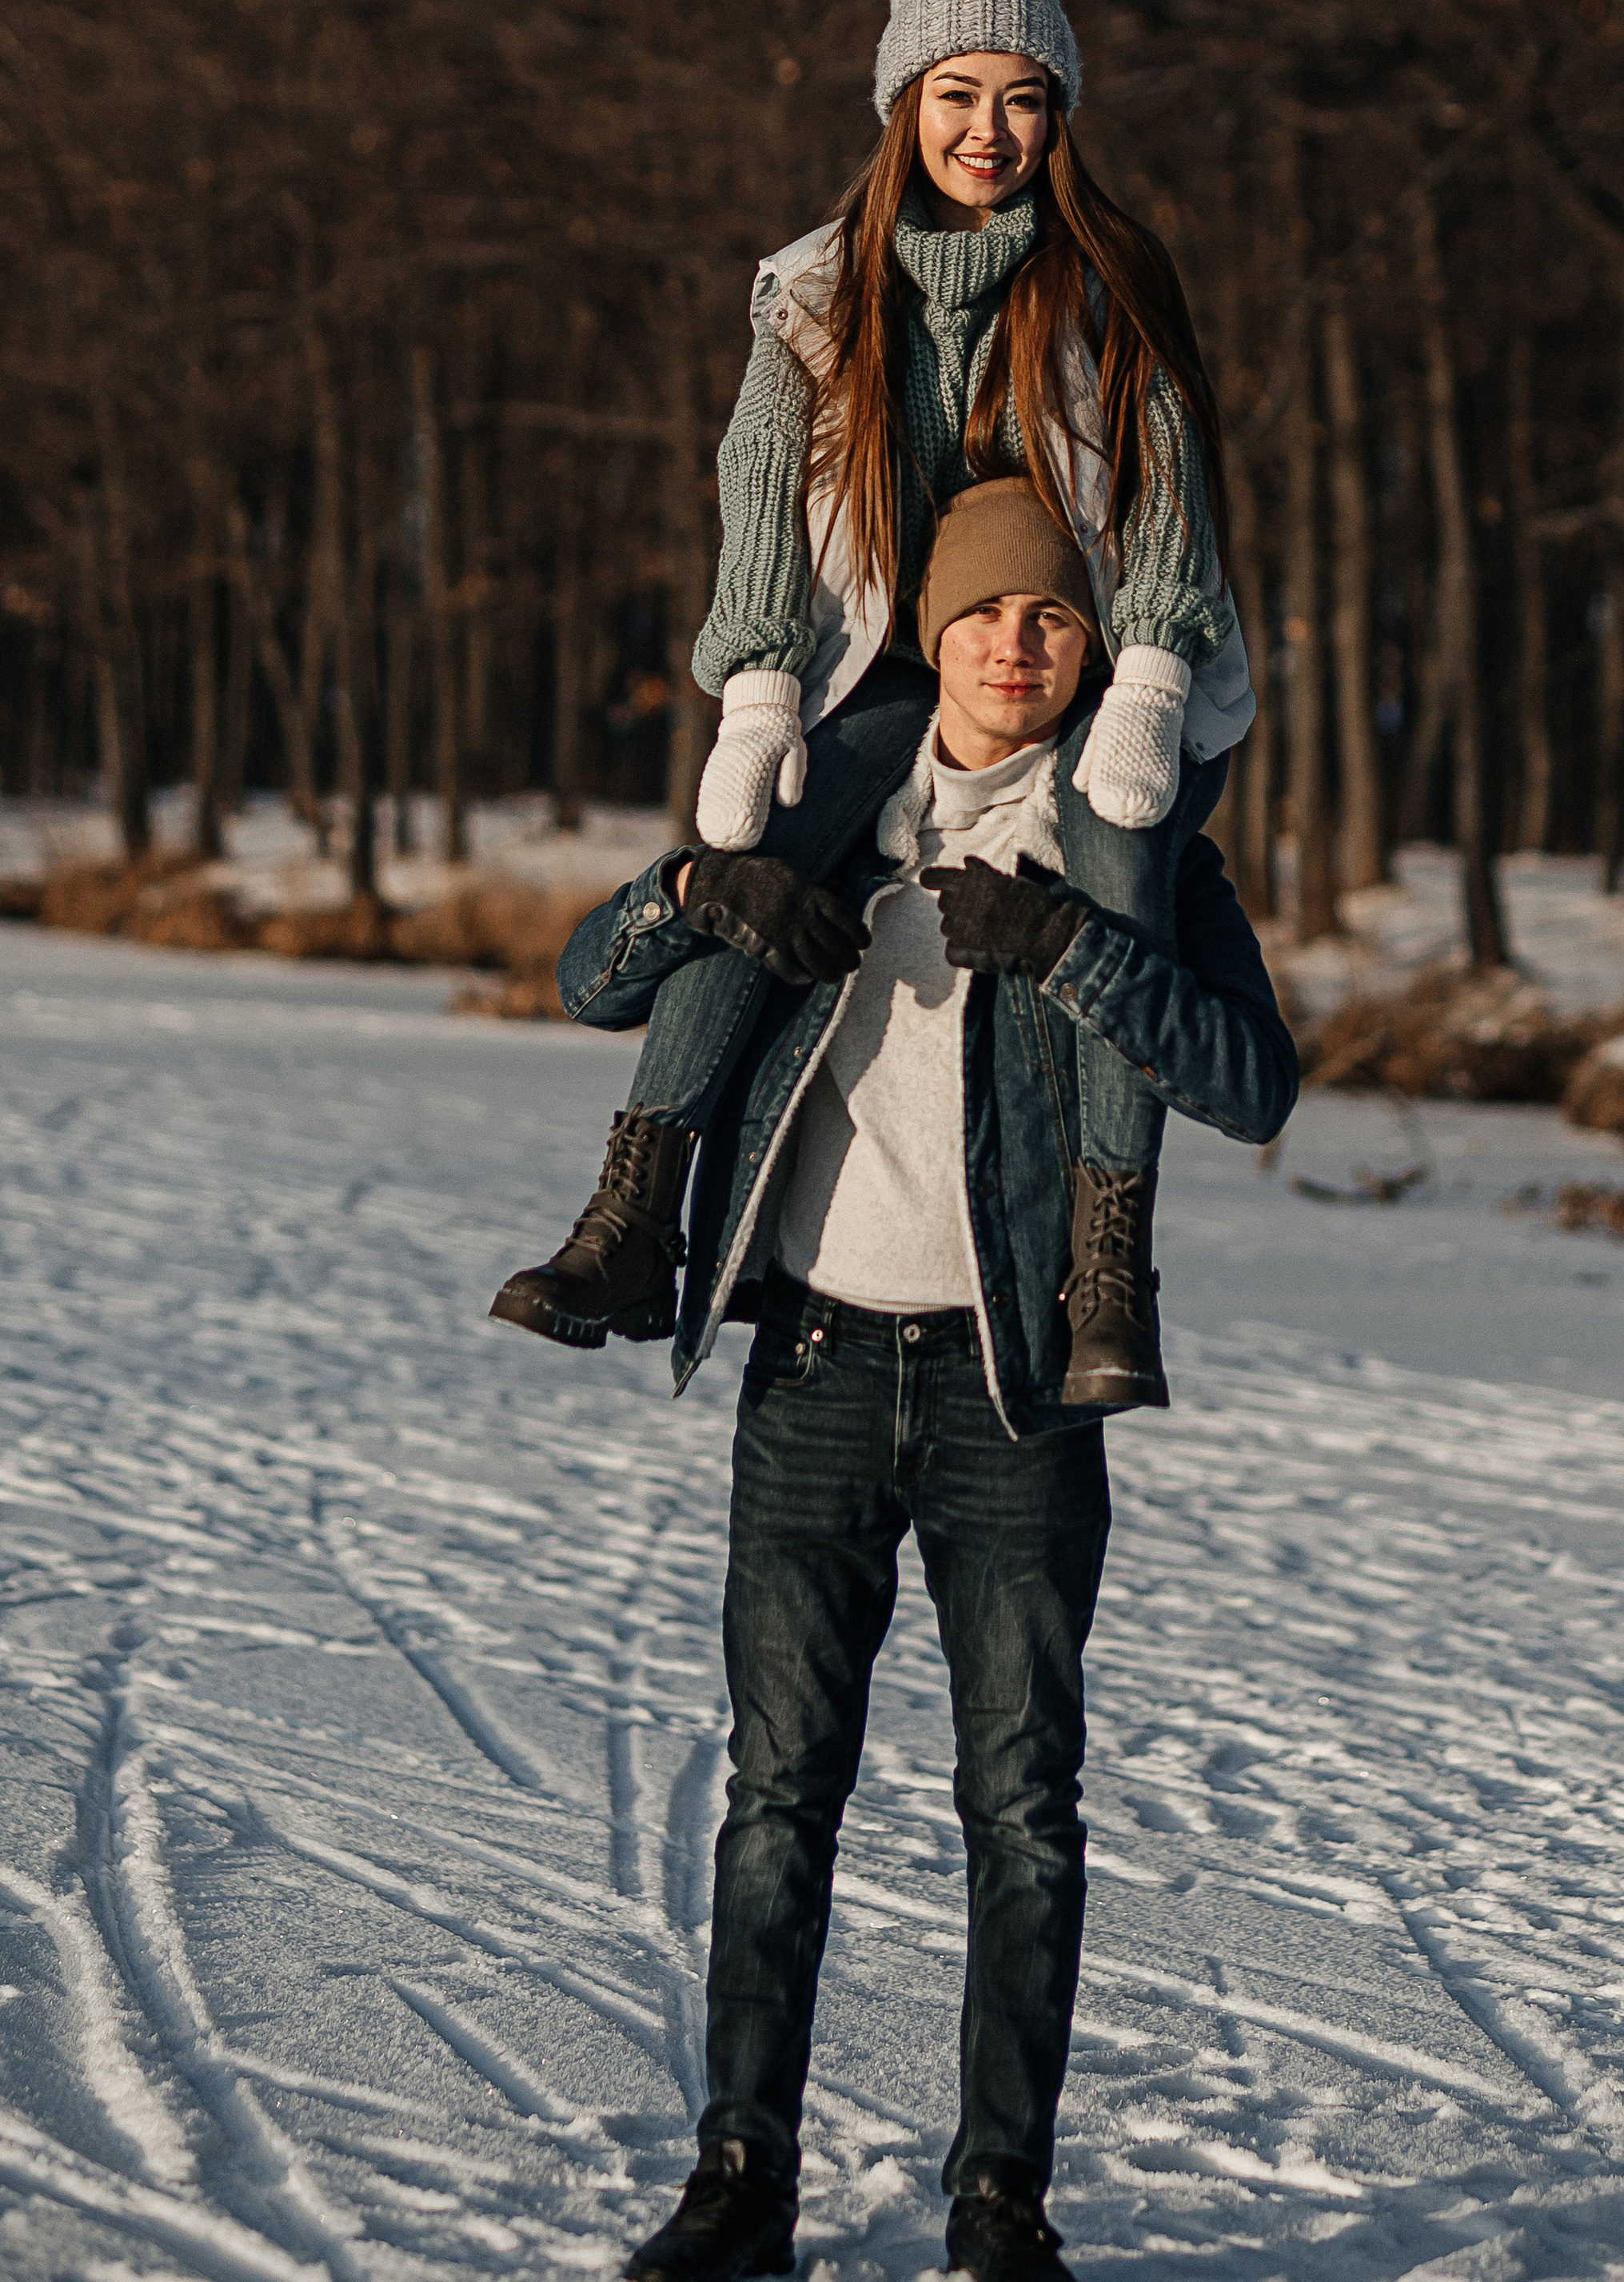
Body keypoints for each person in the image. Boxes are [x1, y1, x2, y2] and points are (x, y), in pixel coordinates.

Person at [553, 481, 1296, 2282]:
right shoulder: (819, 818)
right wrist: (689, 889)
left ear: (1084, 645)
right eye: (985, 616)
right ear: (937, 635)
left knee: (1021, 1812)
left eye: (1051, 617)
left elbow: (1252, 1081)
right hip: (806, 1366)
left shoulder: (1137, 853)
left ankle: (998, 2208)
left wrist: (1067, 949)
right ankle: (738, 2185)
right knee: (773, 1797)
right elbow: (591, 979)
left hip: (1011, 1397)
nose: (1018, 644)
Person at [489, 0, 1254, 1406]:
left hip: (1100, 672)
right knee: (758, 859)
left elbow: (1171, 507)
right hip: (881, 677)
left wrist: (1152, 685)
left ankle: (1104, 1273)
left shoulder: (1109, 283)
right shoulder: (815, 300)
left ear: (1059, 116)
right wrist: (756, 705)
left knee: (1114, 884)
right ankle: (635, 1216)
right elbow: (759, 514)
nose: (988, 132)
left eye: (1022, 98)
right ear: (902, 105)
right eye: (955, 94)